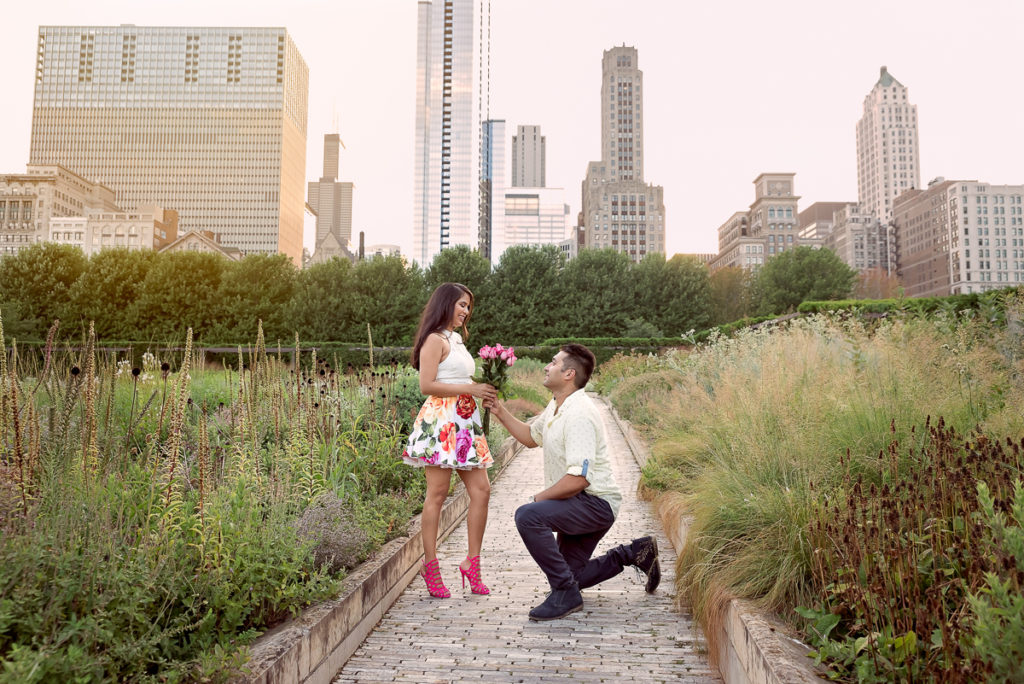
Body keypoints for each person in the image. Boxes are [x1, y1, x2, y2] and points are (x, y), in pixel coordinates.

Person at [484, 343, 660, 620]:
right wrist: (499, 410)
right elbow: (532, 437)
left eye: (553, 362)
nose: (546, 366)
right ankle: (636, 552)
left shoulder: (579, 414)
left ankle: (565, 594)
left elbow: (579, 479)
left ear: (568, 374)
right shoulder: (557, 404)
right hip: (578, 502)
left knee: (529, 516)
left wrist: (539, 499)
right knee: (570, 575)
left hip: (595, 503)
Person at [403, 282, 498, 598]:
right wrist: (469, 389)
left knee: (482, 491)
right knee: (438, 493)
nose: (465, 311)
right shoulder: (434, 339)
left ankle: (472, 562)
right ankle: (430, 565)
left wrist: (481, 388)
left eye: (468, 307)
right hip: (442, 422)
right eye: (461, 305)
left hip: (465, 421)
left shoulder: (456, 339)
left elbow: (459, 379)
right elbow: (427, 385)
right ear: (445, 304)